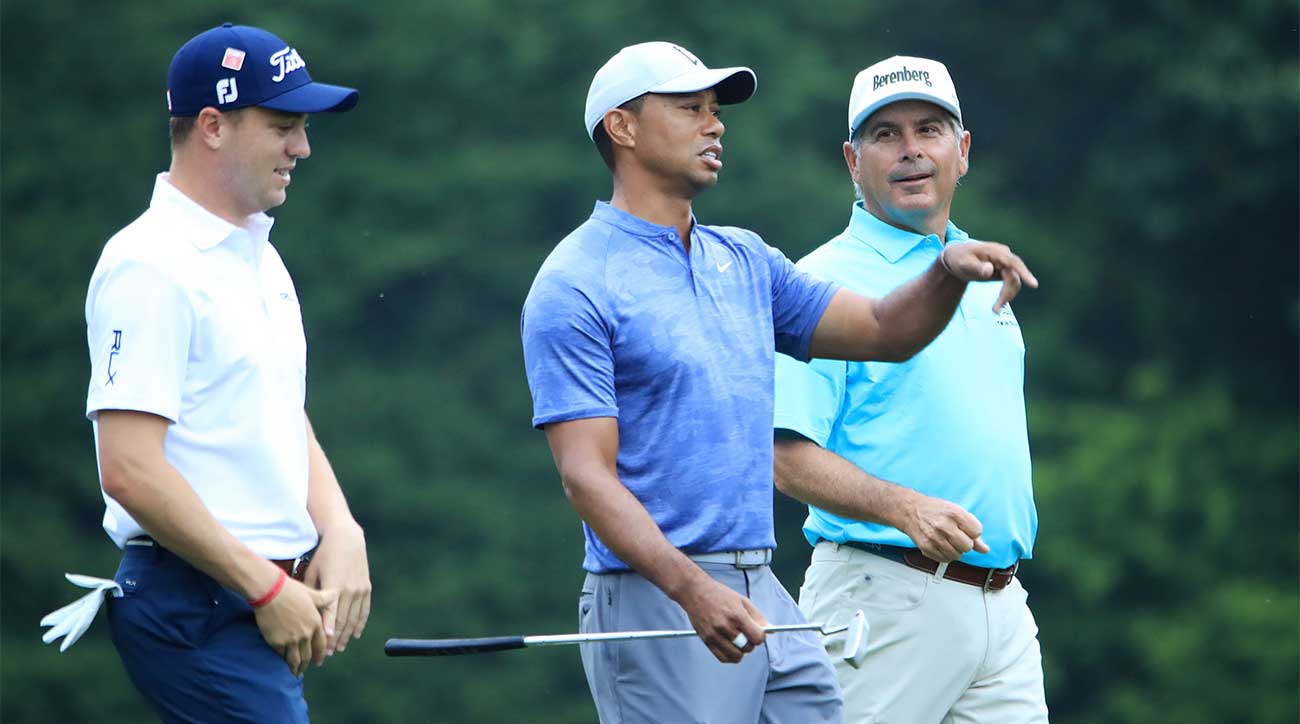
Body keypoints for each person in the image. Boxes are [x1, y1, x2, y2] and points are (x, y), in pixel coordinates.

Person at [520, 42, 1038, 724]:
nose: (715, 125)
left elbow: (884, 330)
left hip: (758, 582)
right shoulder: (575, 282)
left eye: (714, 110)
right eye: (689, 109)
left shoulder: (744, 258)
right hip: (656, 591)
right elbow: (587, 478)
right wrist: (691, 589)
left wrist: (944, 272)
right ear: (623, 128)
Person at [83, 23, 371, 723]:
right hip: (194, 602)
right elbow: (128, 469)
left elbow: (271, 405)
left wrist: (339, 526)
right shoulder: (149, 263)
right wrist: (265, 590)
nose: (302, 147)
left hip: (243, 597)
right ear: (212, 125)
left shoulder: (256, 255)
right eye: (283, 126)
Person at [772, 56, 1049, 723]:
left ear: (963, 151)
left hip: (1002, 603)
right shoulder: (820, 284)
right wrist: (904, 509)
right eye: (885, 134)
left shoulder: (984, 272)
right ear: (852, 160)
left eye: (928, 129)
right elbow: (784, 457)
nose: (910, 150)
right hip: (881, 595)